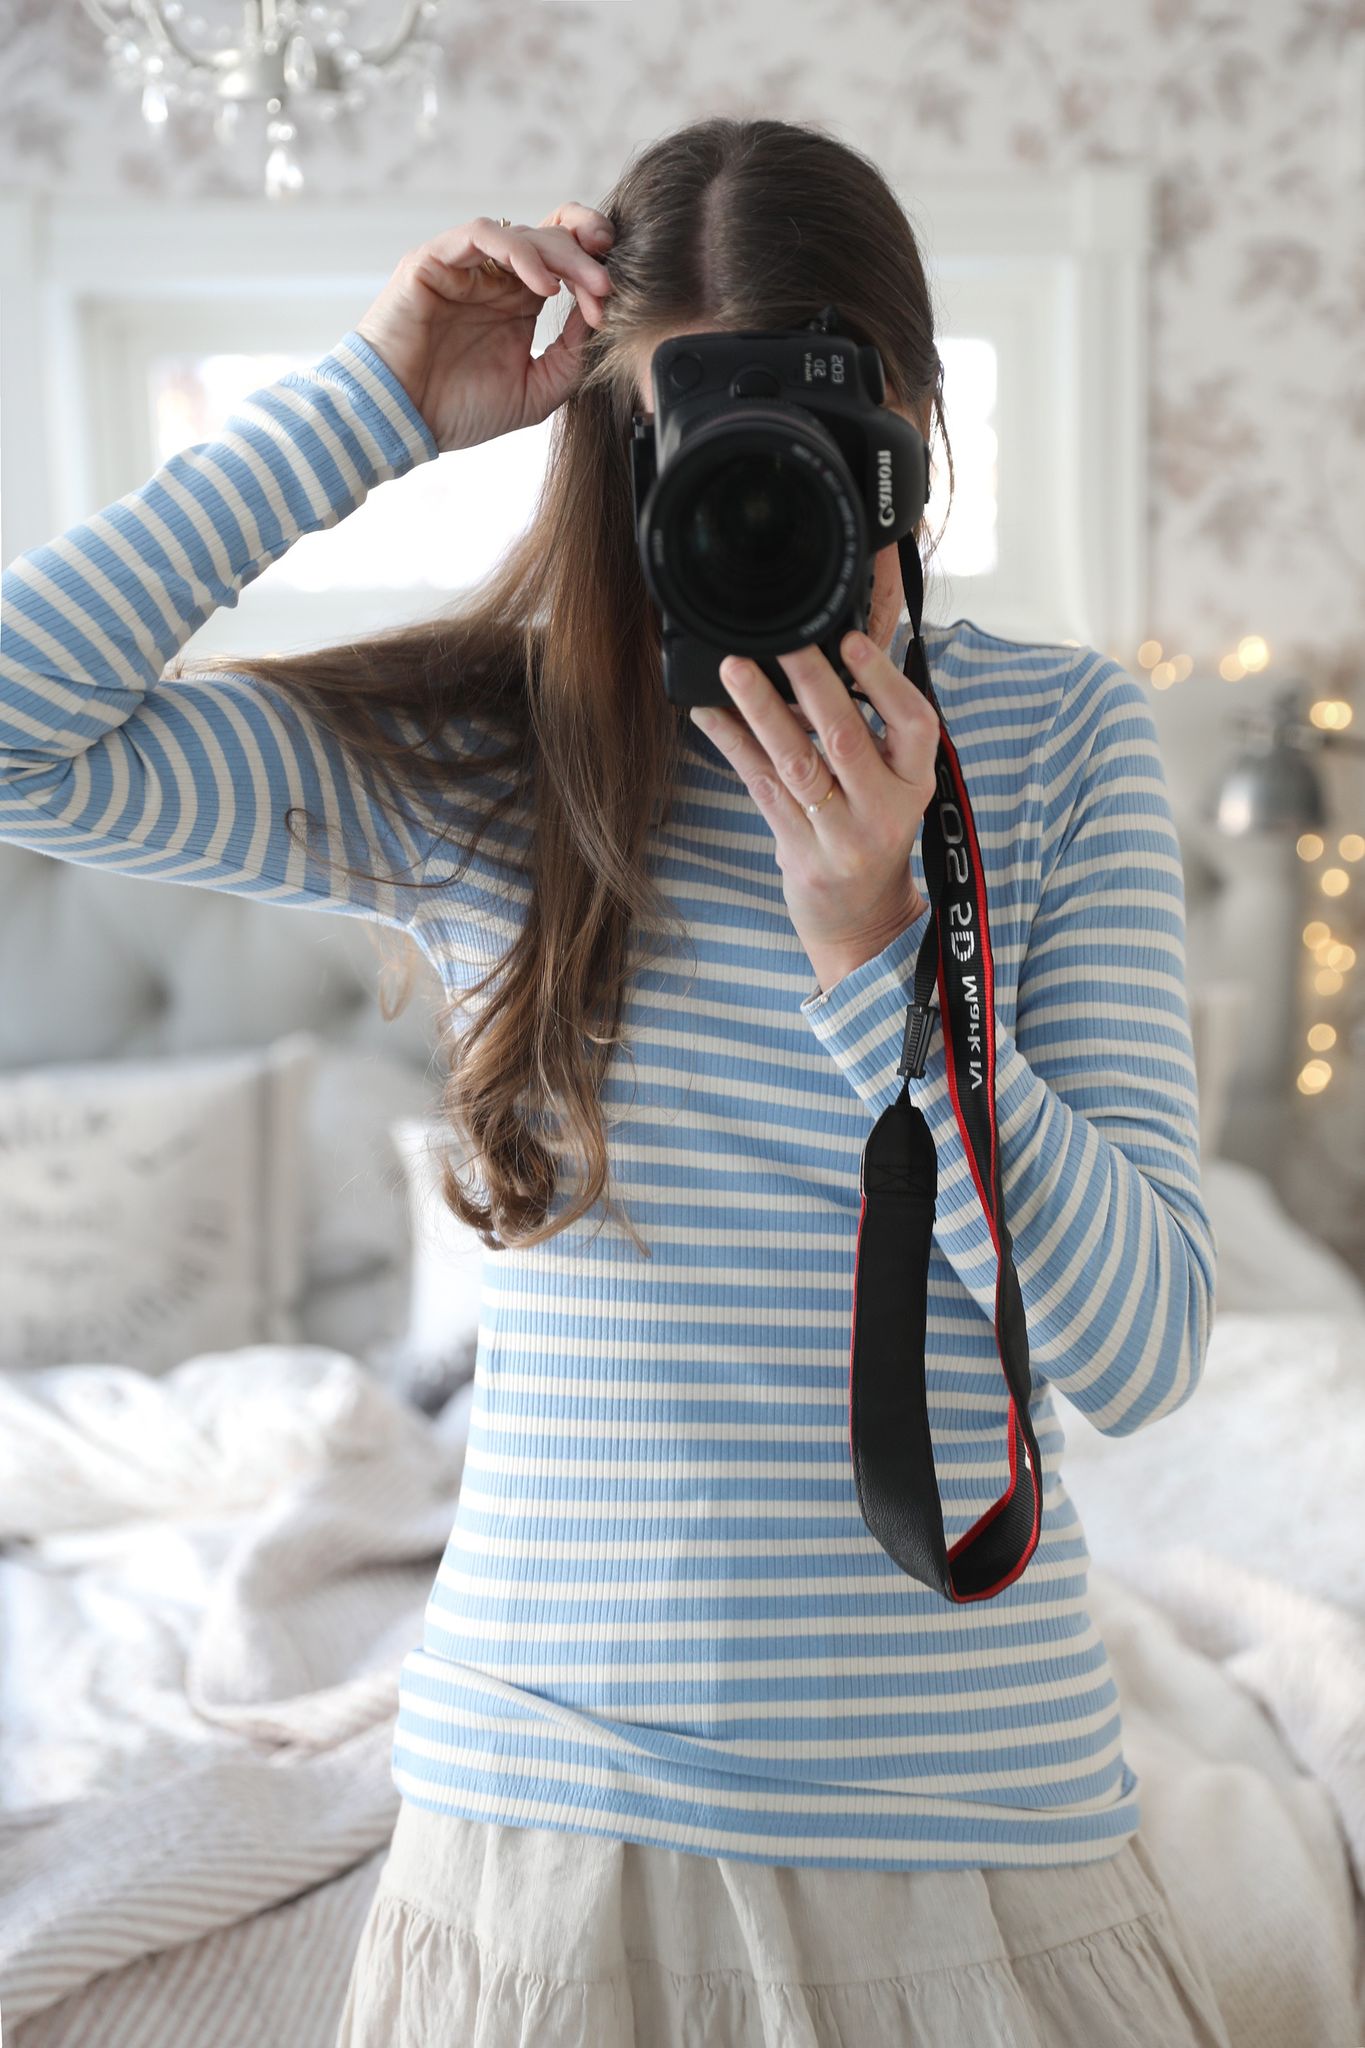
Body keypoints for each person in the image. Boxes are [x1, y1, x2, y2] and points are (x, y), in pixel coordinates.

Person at [0, 116, 1231, 2048]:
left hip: (971, 1815)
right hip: (549, 1812)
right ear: (613, 447)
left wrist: (882, 959)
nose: (761, 492)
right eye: (701, 438)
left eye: (816, 430)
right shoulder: (491, 754)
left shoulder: (1056, 739)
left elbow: (1138, 1354)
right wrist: (372, 406)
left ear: (911, 430)